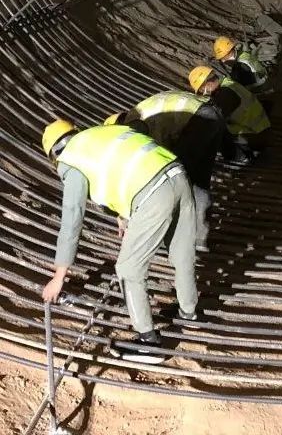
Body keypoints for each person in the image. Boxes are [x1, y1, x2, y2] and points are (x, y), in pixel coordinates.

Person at [41, 119, 197, 362]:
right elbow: (122, 165)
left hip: (153, 192)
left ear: (54, 154)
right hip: (177, 173)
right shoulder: (98, 136)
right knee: (182, 251)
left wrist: (58, 277)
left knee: (128, 268)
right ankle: (189, 312)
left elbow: (72, 218)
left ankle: (148, 343)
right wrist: (123, 215)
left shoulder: (70, 161)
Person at [106, 89, 225, 251]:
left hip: (198, 121)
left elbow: (147, 169)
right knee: (198, 179)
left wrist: (125, 216)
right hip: (212, 115)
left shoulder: (135, 126)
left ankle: (172, 234)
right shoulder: (145, 114)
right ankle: (199, 237)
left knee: (178, 177)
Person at [188, 65, 272, 162]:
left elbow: (214, 121)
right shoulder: (227, 83)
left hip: (256, 136)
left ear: (207, 84)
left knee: (216, 133)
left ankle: (241, 157)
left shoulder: (226, 94)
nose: (203, 93)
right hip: (259, 128)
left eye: (201, 90)